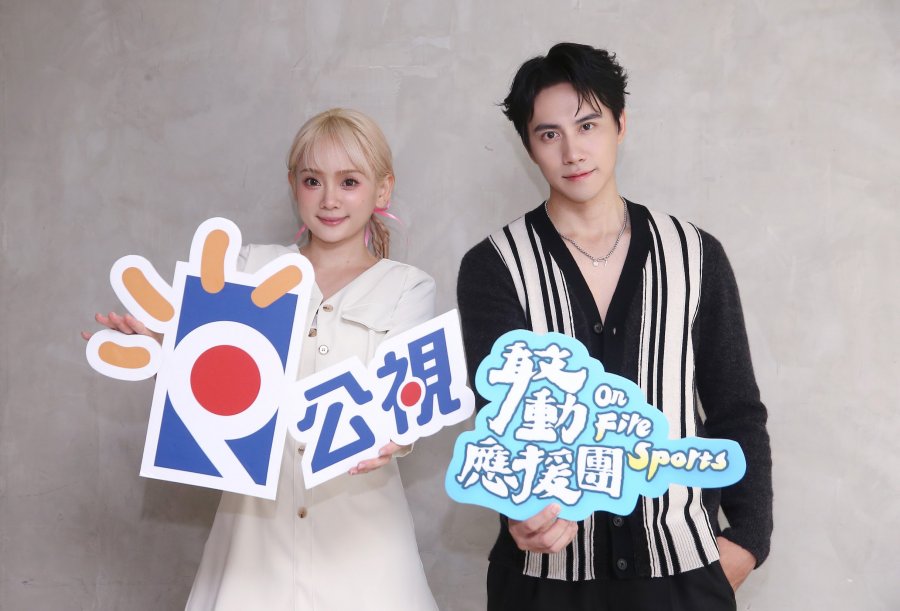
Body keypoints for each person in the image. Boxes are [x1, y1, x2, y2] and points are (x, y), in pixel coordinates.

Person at [456, 43, 773, 611]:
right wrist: (518, 509)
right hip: (546, 578)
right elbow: (500, 420)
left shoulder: (695, 254)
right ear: (529, 146)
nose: (572, 151)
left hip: (680, 573)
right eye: (549, 134)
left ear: (620, 124)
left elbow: (736, 408)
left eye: (588, 125)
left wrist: (747, 540)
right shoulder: (495, 265)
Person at [84, 108, 438, 610]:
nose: (329, 199)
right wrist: (165, 344)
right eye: (313, 180)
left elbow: (406, 401)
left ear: (382, 190)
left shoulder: (408, 287)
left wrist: (396, 434)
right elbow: (210, 370)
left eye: (349, 181)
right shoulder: (249, 266)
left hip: (365, 549)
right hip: (252, 544)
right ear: (293, 185)